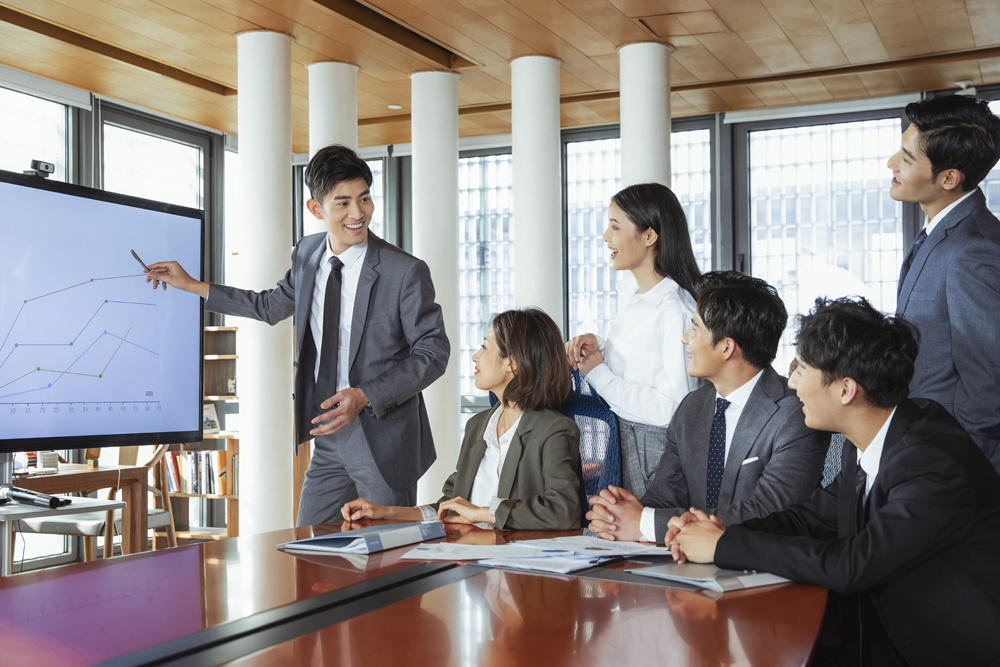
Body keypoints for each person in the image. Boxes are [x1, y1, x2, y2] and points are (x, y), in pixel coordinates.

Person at [668, 296, 1000, 667]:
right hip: (885, 632)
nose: (790, 382)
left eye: (802, 368)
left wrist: (724, 546)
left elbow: (852, 565)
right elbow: (812, 518)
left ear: (846, 390)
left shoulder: (932, 462)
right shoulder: (868, 436)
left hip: (953, 649)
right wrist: (717, 527)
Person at [146, 144, 450, 526]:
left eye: (365, 199)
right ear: (316, 209)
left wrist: (365, 395)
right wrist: (191, 285)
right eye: (342, 203)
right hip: (326, 434)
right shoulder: (307, 255)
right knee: (310, 546)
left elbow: (433, 352)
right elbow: (269, 305)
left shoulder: (404, 271)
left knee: (388, 556)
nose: (358, 213)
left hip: (382, 436)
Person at [587, 271, 828, 544]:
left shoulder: (795, 413)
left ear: (726, 347)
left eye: (695, 328)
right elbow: (665, 497)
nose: (685, 339)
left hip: (763, 570)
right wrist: (619, 514)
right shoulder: (691, 408)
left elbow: (768, 511)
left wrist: (644, 522)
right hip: (687, 566)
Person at [342, 308, 581, 530]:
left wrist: (483, 513)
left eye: (485, 347)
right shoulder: (478, 426)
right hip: (468, 555)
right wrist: (386, 512)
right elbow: (450, 507)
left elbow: (564, 510)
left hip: (515, 566)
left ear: (513, 363)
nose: (475, 357)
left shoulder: (553, 430)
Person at [566, 183, 702, 499]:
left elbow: (675, 410)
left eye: (615, 226)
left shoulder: (674, 309)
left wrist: (598, 373)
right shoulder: (634, 295)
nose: (605, 237)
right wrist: (600, 346)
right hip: (625, 443)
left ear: (649, 236)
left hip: (651, 455)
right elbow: (639, 365)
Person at [890, 94, 1000, 470]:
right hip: (922, 448)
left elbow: (988, 383)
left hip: (955, 464)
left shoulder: (973, 250)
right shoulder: (941, 233)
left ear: (949, 178)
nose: (892, 164)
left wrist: (956, 466)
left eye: (906, 158)